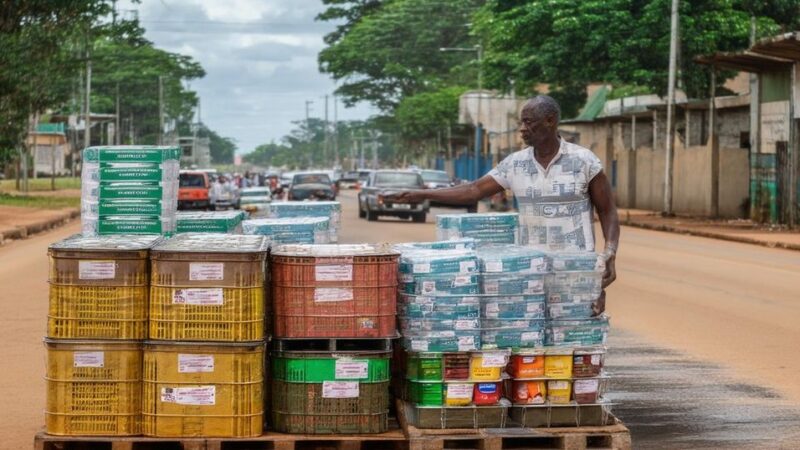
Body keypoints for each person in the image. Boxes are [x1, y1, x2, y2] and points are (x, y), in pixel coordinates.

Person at [387, 95, 619, 315]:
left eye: (529, 122)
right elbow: (473, 190)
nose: (522, 129)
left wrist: (610, 253)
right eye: (521, 122)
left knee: (578, 343)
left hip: (578, 270)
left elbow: (607, 209)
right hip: (532, 270)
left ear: (550, 121)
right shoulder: (515, 164)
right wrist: (421, 194)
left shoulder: (584, 161)